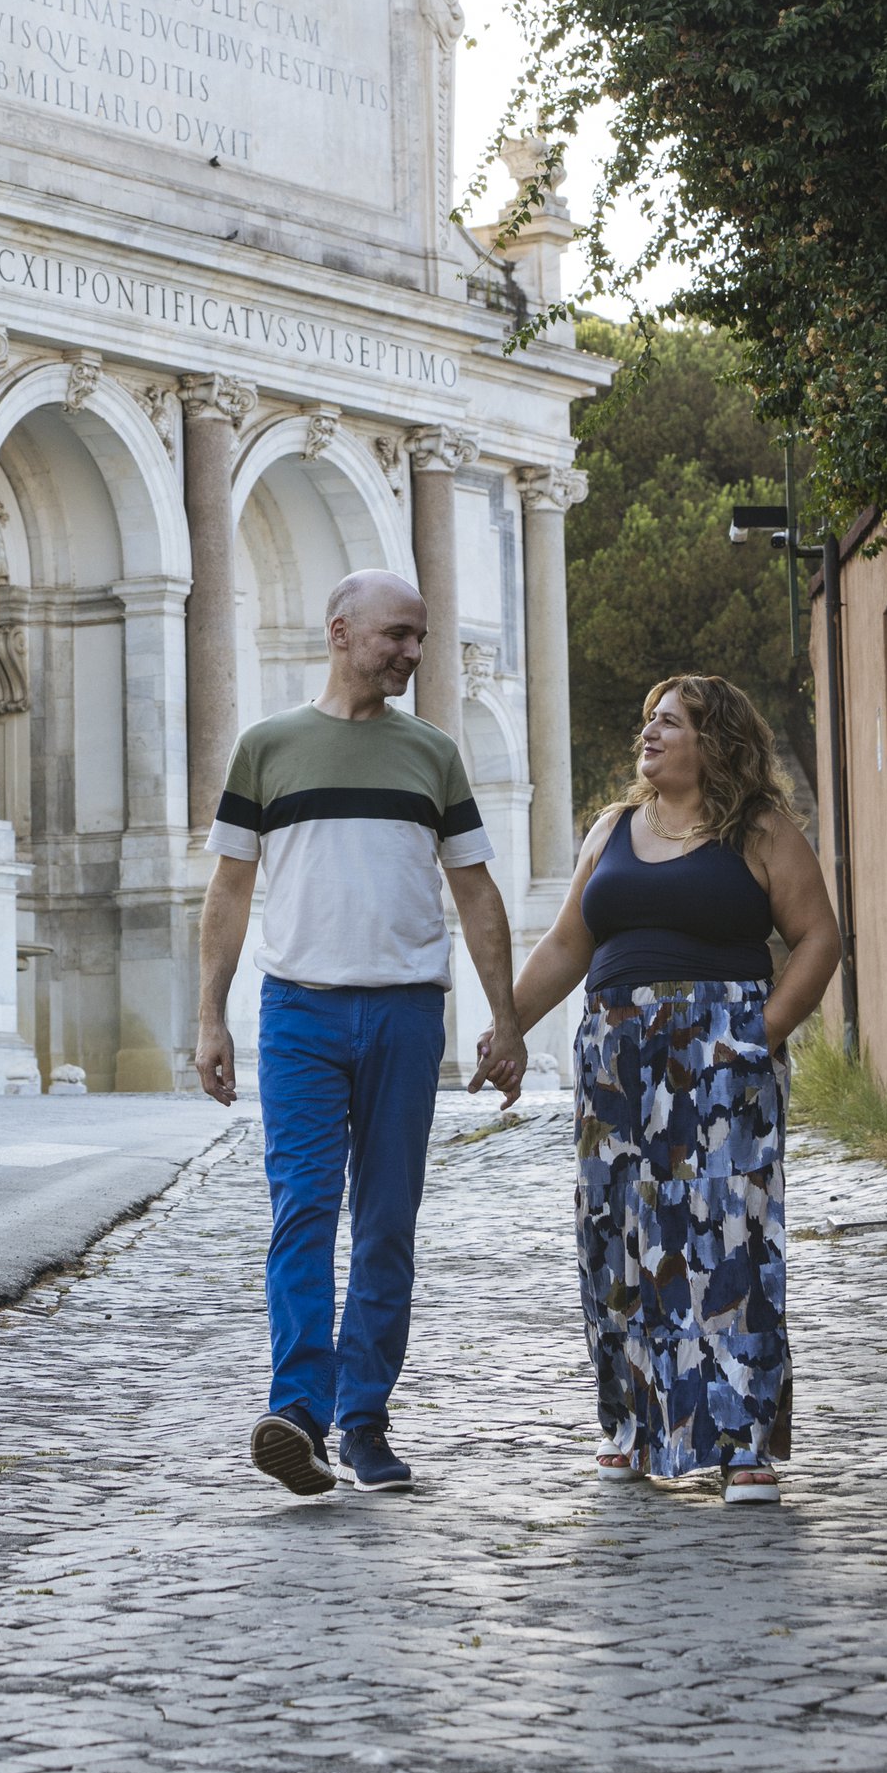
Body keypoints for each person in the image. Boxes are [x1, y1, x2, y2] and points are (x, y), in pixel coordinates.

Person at [196, 570, 527, 1498]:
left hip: (408, 1014)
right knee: (302, 1208)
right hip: (299, 1011)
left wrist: (503, 1018)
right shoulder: (267, 749)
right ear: (340, 632)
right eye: (397, 636)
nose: (413, 654)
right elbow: (228, 889)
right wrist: (209, 1016)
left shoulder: (433, 754)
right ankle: (297, 1410)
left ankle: (365, 1417)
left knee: (385, 1223)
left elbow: (476, 892)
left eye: (420, 637)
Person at [489, 675, 842, 1506]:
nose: (649, 733)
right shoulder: (612, 829)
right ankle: (632, 1423)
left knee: (726, 1234)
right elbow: (568, 942)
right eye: (647, 719)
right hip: (616, 1056)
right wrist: (506, 1027)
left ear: (713, 743)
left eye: (670, 722)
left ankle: (743, 1438)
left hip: (721, 1056)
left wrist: (759, 1038)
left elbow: (818, 937)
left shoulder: (759, 831)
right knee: (616, 1234)